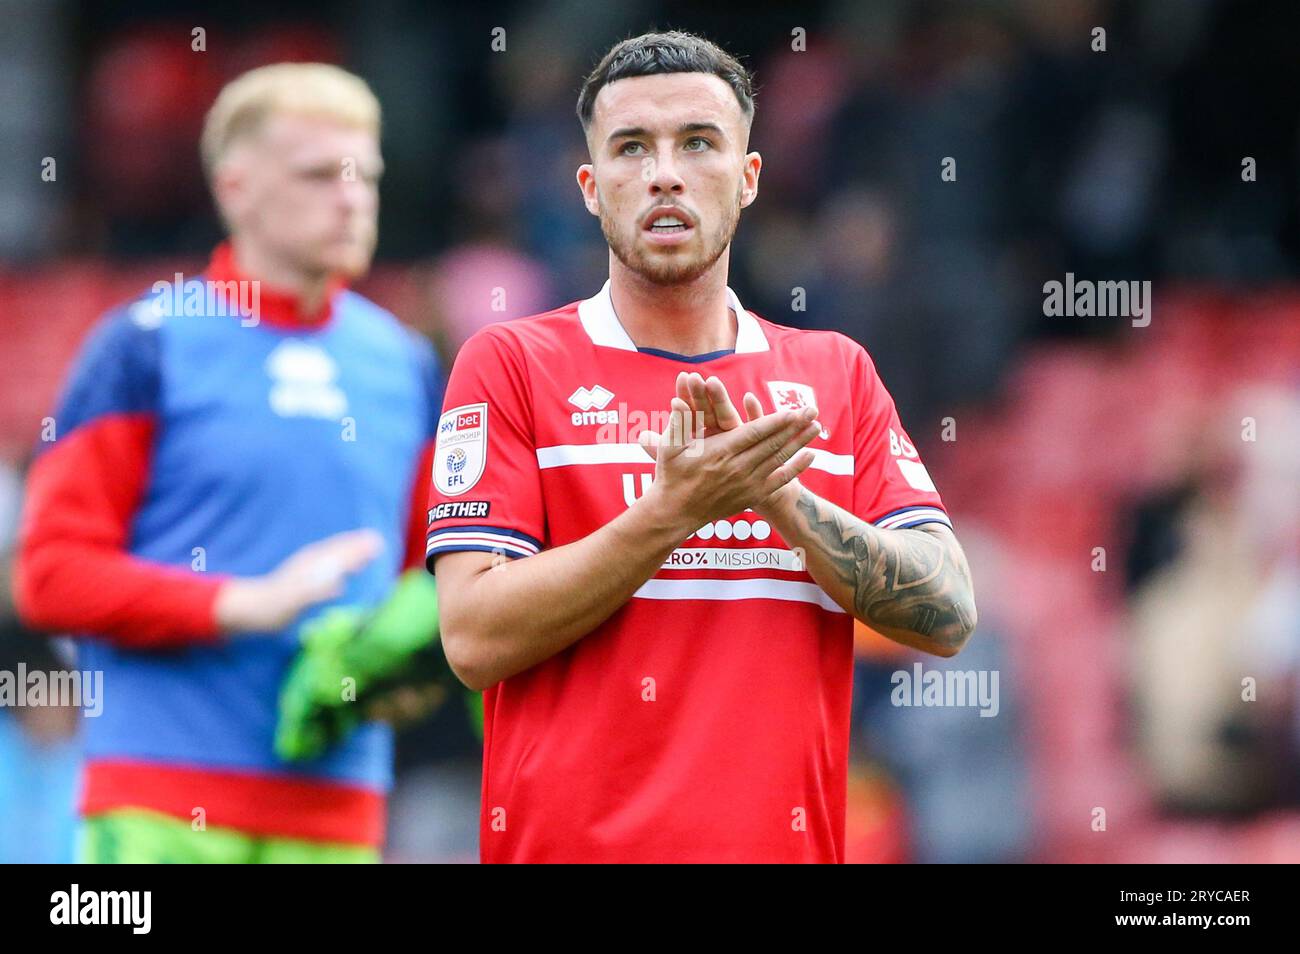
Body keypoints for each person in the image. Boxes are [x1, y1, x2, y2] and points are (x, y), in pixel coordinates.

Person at [426, 31, 977, 863]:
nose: (664, 173)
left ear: (748, 178)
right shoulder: (509, 365)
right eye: (631, 148)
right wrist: (671, 513)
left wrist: (779, 498)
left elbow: (947, 612)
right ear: (590, 187)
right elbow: (471, 639)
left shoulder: (837, 374)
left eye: (698, 143)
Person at [15, 63, 445, 863]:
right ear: (236, 187)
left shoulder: (406, 363)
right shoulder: (146, 344)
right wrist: (240, 603)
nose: (351, 198)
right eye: (319, 174)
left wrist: (414, 664)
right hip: (158, 808)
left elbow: (433, 575)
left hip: (341, 815)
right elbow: (47, 574)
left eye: (367, 177)